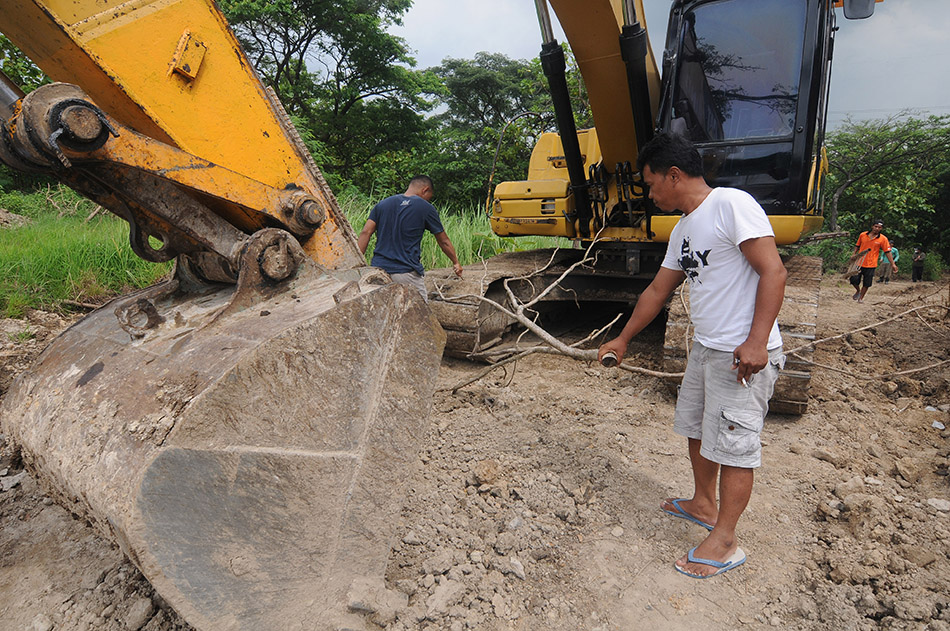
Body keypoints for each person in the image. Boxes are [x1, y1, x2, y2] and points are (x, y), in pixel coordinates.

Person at [598, 132, 787, 579]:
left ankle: (725, 540)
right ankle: (704, 503)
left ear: (674, 175)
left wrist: (757, 342)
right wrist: (622, 339)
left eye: (650, 183)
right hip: (706, 349)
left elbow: (773, 271)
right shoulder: (683, 228)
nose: (649, 192)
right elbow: (658, 290)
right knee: (697, 428)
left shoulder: (730, 205)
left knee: (736, 447)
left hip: (742, 354)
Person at [357, 175, 463, 301]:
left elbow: (365, 232)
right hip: (405, 273)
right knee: (420, 315)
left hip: (377, 273)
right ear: (425, 190)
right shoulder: (425, 207)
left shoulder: (383, 204)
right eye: (429, 197)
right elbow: (443, 240)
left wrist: (358, 264)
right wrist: (455, 261)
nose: (428, 200)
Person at [849, 219, 896, 303]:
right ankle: (858, 291)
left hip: (871, 264)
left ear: (881, 228)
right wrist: (854, 254)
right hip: (859, 262)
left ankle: (861, 298)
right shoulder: (863, 235)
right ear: (872, 226)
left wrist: (893, 264)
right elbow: (857, 245)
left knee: (867, 283)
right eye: (876, 226)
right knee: (854, 279)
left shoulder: (883, 239)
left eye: (879, 227)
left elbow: (887, 252)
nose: (877, 229)